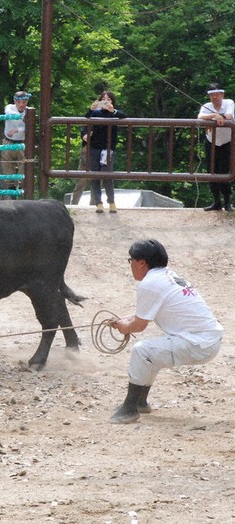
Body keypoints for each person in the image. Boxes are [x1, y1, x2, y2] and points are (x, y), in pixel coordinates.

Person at [109, 239, 223, 424]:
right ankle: (140, 402)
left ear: (142, 262)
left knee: (142, 350)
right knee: (151, 355)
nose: (130, 264)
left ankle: (129, 409)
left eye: (130, 260)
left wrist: (123, 326)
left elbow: (139, 325)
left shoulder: (149, 284)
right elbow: (142, 315)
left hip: (199, 344)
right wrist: (123, 320)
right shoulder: (166, 276)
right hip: (207, 340)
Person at [84, 90, 126, 213]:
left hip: (108, 148)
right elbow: (85, 120)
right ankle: (98, 203)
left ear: (112, 101)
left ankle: (111, 202)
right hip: (94, 147)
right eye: (104, 99)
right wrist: (91, 109)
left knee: (107, 175)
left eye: (109, 99)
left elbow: (124, 116)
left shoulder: (115, 113)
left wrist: (113, 110)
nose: (106, 102)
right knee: (95, 175)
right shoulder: (95, 113)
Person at [197, 82, 234, 211]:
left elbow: (229, 116)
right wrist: (214, 115)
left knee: (224, 172)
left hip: (227, 142)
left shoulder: (229, 103)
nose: (215, 97)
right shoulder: (207, 106)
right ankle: (216, 201)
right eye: (212, 95)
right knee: (211, 171)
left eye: (218, 94)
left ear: (222, 94)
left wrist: (220, 116)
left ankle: (228, 201)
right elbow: (200, 117)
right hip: (211, 142)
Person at [0, 90, 30, 200]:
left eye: (24, 102)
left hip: (22, 143)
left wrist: (17, 129)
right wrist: (22, 118)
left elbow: (30, 126)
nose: (21, 105)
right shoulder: (10, 108)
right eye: (19, 102)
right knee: (7, 169)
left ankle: (22, 196)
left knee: (23, 170)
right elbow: (9, 114)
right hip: (8, 141)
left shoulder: (29, 112)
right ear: (15, 101)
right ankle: (12, 198)